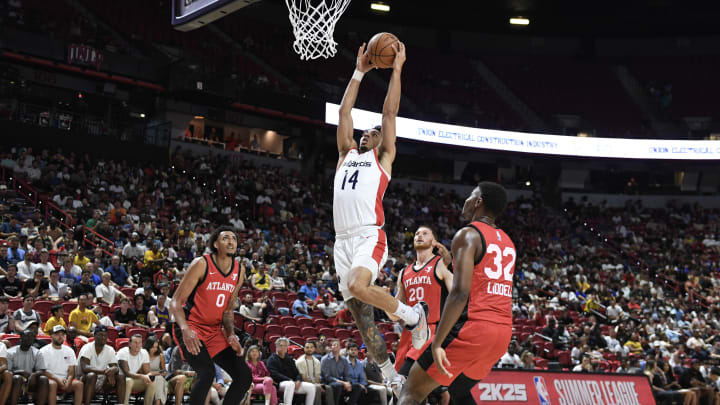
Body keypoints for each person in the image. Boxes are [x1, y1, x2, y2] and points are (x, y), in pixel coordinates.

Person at [333, 40, 422, 394]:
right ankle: (389, 373)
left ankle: (413, 316)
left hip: (370, 234)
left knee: (357, 284)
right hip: (341, 242)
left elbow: (389, 114)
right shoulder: (345, 153)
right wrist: (359, 71)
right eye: (366, 131)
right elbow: (344, 114)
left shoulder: (383, 157)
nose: (370, 132)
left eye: (375, 131)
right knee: (361, 316)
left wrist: (396, 69)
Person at [398, 182, 515, 405]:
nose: (466, 200)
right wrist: (451, 264)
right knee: (457, 391)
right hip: (501, 334)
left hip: (473, 328)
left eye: (471, 195)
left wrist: (437, 342)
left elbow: (461, 293)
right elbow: (484, 280)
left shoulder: (468, 234)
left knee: (410, 391)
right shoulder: (507, 241)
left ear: (479, 202)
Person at [169, 226, 252, 405]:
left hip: (214, 330)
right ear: (215, 244)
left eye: (234, 239)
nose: (231, 241)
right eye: (225, 238)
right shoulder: (202, 263)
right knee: (207, 374)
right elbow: (175, 302)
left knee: (244, 377)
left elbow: (228, 311)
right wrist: (185, 330)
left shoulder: (239, 271)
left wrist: (230, 334)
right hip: (191, 326)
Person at [393, 225, 453, 376]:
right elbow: (394, 315)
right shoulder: (404, 272)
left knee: (404, 379)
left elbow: (459, 295)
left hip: (432, 331)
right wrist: (383, 299)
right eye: (417, 234)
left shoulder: (441, 264)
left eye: (425, 233)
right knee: (400, 388)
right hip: (409, 334)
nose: (419, 236)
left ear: (434, 242)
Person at [78, 325, 124, 404]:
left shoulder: (109, 349)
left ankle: (121, 404)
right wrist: (105, 372)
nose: (103, 337)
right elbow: (85, 368)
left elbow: (115, 367)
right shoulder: (87, 348)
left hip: (102, 381)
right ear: (95, 336)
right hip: (85, 381)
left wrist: (113, 371)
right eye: (100, 335)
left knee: (120, 376)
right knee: (92, 375)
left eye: (105, 335)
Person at [40, 325, 85, 405]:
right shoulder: (44, 350)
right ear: (51, 336)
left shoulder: (69, 350)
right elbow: (43, 371)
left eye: (62, 334)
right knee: (52, 384)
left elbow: (71, 371)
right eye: (57, 334)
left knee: (79, 384)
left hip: (65, 379)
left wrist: (68, 381)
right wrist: (57, 379)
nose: (60, 337)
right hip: (50, 379)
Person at [267, 337, 315, 405]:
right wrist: (289, 380)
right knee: (290, 384)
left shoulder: (289, 359)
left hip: (292, 383)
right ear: (276, 346)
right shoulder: (271, 359)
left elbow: (297, 372)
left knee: (311, 387)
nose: (283, 347)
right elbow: (274, 374)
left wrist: (298, 380)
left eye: (285, 345)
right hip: (279, 384)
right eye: (281, 345)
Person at [117, 334, 163, 405]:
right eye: (135, 342)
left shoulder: (144, 352)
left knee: (151, 382)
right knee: (128, 380)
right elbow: (127, 373)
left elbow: (147, 372)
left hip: (134, 380)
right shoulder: (123, 352)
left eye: (140, 343)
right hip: (121, 380)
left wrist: (157, 373)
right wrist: (142, 376)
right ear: (130, 343)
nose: (138, 345)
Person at [8, 329, 49, 405]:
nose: (29, 339)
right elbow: (7, 371)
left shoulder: (37, 352)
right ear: (21, 338)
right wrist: (20, 372)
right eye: (26, 336)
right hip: (15, 381)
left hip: (31, 380)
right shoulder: (10, 352)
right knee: (18, 378)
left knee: (44, 379)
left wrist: (34, 374)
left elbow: (41, 370)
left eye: (31, 337)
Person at [320, 339, 361, 405]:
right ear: (331, 347)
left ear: (340, 347)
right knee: (337, 386)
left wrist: (348, 382)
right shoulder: (325, 359)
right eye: (334, 345)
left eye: (337, 345)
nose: (336, 346)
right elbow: (327, 377)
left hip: (342, 382)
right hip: (328, 382)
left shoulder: (344, 360)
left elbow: (347, 375)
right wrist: (343, 383)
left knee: (357, 387)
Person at [296, 340, 335, 405]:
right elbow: (303, 377)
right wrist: (315, 384)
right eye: (307, 347)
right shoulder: (300, 361)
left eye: (311, 347)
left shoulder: (317, 361)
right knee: (317, 388)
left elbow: (318, 375)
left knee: (328, 388)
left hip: (315, 382)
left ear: (314, 349)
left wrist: (319, 383)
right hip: (303, 383)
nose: (309, 349)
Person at [143, 335, 169, 405]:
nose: (155, 349)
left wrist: (156, 373)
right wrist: (158, 373)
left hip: (158, 379)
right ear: (148, 347)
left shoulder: (160, 356)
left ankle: (157, 403)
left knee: (159, 378)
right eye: (153, 347)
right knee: (158, 378)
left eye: (156, 347)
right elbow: (145, 373)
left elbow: (164, 372)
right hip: (146, 379)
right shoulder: (143, 355)